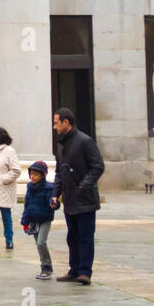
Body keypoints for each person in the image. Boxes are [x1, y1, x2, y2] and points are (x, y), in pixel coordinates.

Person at [51, 107, 105, 286]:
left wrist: (84, 185)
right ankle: (73, 270)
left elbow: (98, 166)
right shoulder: (61, 145)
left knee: (85, 236)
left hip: (85, 199)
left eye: (56, 123)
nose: (54, 127)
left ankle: (85, 272)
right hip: (69, 200)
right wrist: (55, 194)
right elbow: (60, 172)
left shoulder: (84, 141)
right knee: (72, 236)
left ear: (66, 122)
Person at [21, 160, 56, 280]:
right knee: (38, 244)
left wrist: (53, 204)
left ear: (42, 175)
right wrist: (25, 222)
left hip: (45, 219)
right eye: (31, 174)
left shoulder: (48, 188)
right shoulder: (30, 187)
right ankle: (44, 268)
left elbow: (52, 201)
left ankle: (47, 268)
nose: (32, 177)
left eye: (35, 174)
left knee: (41, 242)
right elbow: (27, 205)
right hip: (34, 220)